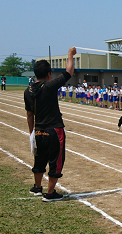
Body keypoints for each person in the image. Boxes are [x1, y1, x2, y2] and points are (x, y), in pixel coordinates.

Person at [24, 47, 76, 202]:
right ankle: (50, 193)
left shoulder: (28, 91)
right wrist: (70, 55)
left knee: (39, 159)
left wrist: (32, 132)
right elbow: (69, 72)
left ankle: (37, 187)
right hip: (54, 130)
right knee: (56, 161)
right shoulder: (50, 86)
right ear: (48, 74)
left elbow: (29, 114)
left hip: (39, 130)